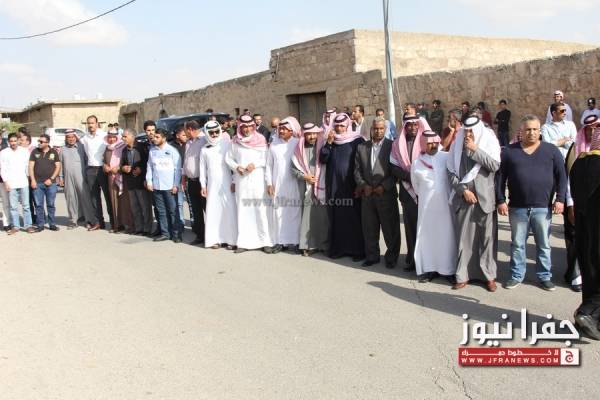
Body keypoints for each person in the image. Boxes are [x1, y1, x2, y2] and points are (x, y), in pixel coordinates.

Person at [497, 115, 567, 291]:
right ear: (521, 131)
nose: (532, 132)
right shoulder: (509, 152)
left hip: (543, 207)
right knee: (518, 244)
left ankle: (545, 276)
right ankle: (516, 275)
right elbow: (500, 179)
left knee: (544, 245)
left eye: (535, 129)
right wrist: (500, 200)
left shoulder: (551, 151)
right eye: (528, 129)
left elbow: (562, 177)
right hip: (517, 207)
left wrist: (560, 199)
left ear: (540, 130)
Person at [447, 116, 501, 291]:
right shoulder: (456, 146)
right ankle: (463, 275)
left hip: (485, 198)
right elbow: (450, 172)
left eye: (471, 131)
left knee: (487, 239)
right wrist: (463, 190)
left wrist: (475, 149)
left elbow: (494, 165)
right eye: (466, 131)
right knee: (465, 239)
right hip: (464, 199)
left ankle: (489, 276)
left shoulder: (489, 141)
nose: (468, 134)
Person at [410, 130, 456, 282]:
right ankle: (429, 269)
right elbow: (416, 187)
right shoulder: (417, 163)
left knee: (446, 238)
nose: (433, 145)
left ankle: (448, 270)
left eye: (435, 142)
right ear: (423, 144)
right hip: (426, 209)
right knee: (428, 238)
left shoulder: (446, 157)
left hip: (445, 208)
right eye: (429, 143)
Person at [354, 117, 400, 268]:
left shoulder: (392, 146)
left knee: (390, 228)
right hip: (367, 195)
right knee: (369, 228)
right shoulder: (362, 147)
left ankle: (391, 258)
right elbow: (357, 171)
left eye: (381, 129)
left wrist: (384, 186)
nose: (378, 131)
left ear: (385, 130)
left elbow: (396, 171)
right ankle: (372, 256)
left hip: (385, 194)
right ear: (371, 129)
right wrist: (363, 185)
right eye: (375, 128)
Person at [225, 114, 274, 253]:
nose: (247, 129)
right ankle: (244, 243)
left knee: (260, 209)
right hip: (241, 180)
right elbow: (228, 159)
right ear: (240, 127)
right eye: (244, 127)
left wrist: (255, 164)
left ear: (253, 126)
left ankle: (265, 242)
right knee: (243, 210)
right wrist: (237, 167)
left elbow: (266, 159)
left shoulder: (261, 139)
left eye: (249, 126)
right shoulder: (235, 141)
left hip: (258, 179)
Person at [320, 113, 365, 261]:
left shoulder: (357, 140)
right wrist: (328, 143)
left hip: (351, 186)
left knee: (354, 218)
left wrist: (360, 184)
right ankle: (339, 249)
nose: (339, 128)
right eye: (337, 125)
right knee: (337, 218)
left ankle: (357, 251)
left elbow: (362, 162)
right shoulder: (331, 140)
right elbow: (323, 158)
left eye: (342, 125)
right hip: (334, 185)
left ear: (347, 126)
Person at [569, 126, 600, 340]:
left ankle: (589, 322)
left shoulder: (578, 163)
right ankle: (586, 312)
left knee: (590, 276)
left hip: (584, 231)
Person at [390, 116, 426, 271]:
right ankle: (412, 260)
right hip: (407, 191)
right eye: (409, 125)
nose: (412, 127)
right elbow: (393, 166)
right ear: (404, 126)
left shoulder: (426, 141)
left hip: (425, 192)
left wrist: (418, 178)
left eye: (415, 124)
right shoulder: (397, 144)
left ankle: (427, 262)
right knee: (410, 228)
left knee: (426, 228)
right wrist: (409, 177)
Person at [291, 122, 329, 256]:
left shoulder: (323, 147)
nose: (312, 136)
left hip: (322, 185)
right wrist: (305, 177)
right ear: (304, 135)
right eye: (308, 134)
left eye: (314, 134)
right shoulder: (298, 149)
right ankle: (307, 245)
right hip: (306, 186)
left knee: (322, 216)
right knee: (307, 216)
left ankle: (323, 244)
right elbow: (293, 169)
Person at [199, 121, 237, 249]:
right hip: (212, 186)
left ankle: (231, 240)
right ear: (207, 133)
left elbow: (234, 164)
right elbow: (202, 169)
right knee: (214, 212)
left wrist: (234, 181)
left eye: (216, 131)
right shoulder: (204, 149)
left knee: (229, 211)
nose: (214, 134)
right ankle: (215, 240)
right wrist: (203, 186)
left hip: (228, 183)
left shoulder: (227, 144)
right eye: (211, 132)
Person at [266, 116, 302, 253]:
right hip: (277, 184)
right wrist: (269, 183)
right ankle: (279, 242)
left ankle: (294, 242)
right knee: (278, 212)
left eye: (284, 129)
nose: (280, 131)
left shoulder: (297, 143)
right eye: (280, 128)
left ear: (291, 131)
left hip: (294, 184)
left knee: (294, 212)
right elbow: (268, 165)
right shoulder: (273, 145)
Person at [146, 128, 182, 243]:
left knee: (173, 211)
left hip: (169, 186)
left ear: (164, 138)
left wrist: (176, 185)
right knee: (161, 211)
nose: (155, 139)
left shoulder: (172, 151)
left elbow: (177, 170)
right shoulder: (152, 151)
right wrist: (149, 181)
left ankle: (176, 234)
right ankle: (165, 233)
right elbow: (150, 167)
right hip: (157, 186)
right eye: (154, 137)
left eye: (157, 137)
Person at [59, 129, 95, 229]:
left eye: (72, 137)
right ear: (66, 138)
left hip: (81, 177)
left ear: (76, 137)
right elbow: (60, 164)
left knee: (85, 197)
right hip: (67, 177)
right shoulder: (63, 149)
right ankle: (73, 220)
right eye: (68, 137)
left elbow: (87, 161)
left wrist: (88, 175)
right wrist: (61, 177)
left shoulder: (81, 147)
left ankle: (89, 220)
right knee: (71, 198)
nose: (71, 139)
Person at [0, 133, 35, 234]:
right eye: (11, 141)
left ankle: (28, 226)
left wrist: (29, 179)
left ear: (18, 141)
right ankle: (16, 226)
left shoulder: (24, 151)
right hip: (11, 183)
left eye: (15, 141)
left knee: (26, 206)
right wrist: (6, 182)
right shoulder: (4, 153)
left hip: (23, 182)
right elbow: (3, 169)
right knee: (13, 207)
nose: (13, 143)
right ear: (8, 142)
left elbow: (27, 166)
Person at [80, 115, 110, 231]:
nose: (90, 125)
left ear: (97, 124)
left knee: (108, 196)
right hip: (90, 170)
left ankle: (114, 222)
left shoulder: (104, 136)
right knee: (94, 198)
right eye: (88, 123)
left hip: (103, 169)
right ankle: (98, 222)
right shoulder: (85, 138)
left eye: (92, 123)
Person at [120, 129, 153, 236]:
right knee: (135, 207)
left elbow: (148, 162)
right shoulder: (124, 150)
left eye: (125, 136)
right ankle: (139, 228)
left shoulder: (142, 147)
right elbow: (122, 165)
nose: (123, 139)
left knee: (145, 207)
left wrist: (141, 169)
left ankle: (147, 229)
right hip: (130, 183)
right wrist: (123, 168)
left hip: (141, 182)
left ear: (132, 136)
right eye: (123, 136)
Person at [28, 133, 61, 231]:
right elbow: (31, 167)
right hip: (37, 183)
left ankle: (52, 224)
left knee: (51, 204)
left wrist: (51, 179)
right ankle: (40, 225)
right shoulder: (35, 152)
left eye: (42, 141)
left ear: (47, 142)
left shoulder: (53, 152)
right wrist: (33, 180)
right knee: (38, 205)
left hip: (51, 183)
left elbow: (58, 166)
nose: (39, 143)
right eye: (39, 141)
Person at [103, 130, 133, 233]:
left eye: (114, 137)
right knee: (114, 201)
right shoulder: (107, 148)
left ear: (117, 138)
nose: (112, 139)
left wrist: (119, 168)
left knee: (125, 202)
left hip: (122, 177)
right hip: (111, 176)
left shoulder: (123, 147)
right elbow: (104, 161)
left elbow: (127, 162)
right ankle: (117, 225)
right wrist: (105, 166)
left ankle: (128, 225)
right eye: (110, 137)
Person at [183, 120, 206, 245]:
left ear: (190, 129)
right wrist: (184, 177)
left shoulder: (204, 140)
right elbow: (186, 161)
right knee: (196, 211)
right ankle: (200, 236)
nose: (185, 133)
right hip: (191, 182)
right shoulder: (188, 142)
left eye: (185, 130)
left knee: (207, 209)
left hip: (202, 182)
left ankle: (212, 236)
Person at [172, 125, 188, 228]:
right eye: (183, 135)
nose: (186, 137)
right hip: (177, 177)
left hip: (188, 177)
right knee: (179, 202)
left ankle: (195, 223)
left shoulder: (189, 145)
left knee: (191, 203)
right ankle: (181, 222)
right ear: (177, 136)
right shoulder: (172, 147)